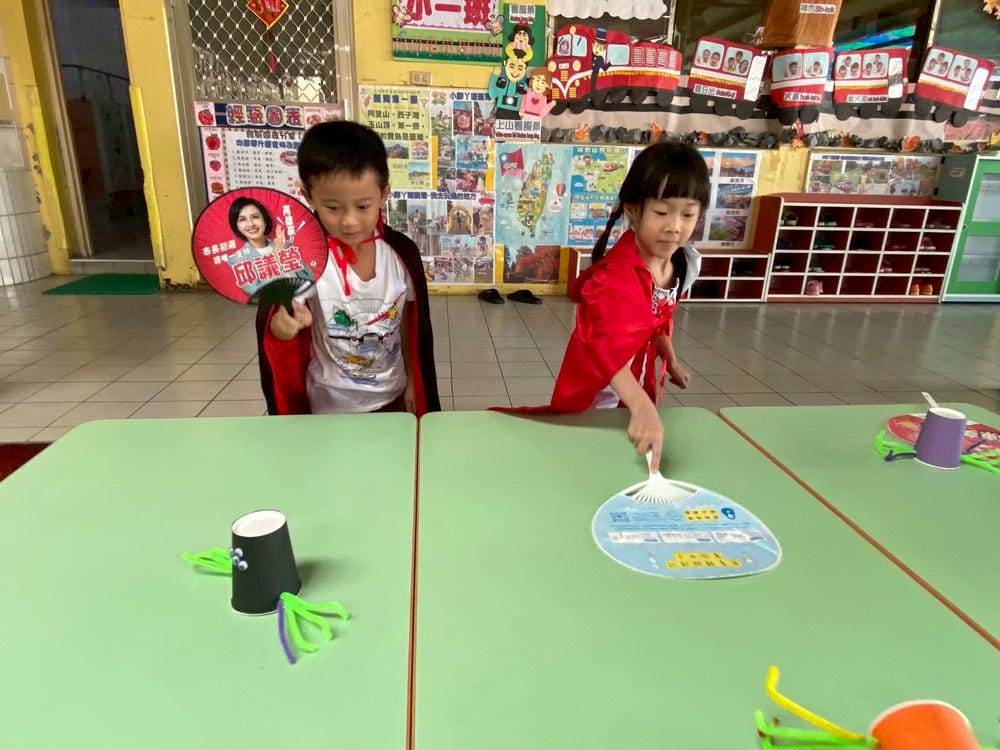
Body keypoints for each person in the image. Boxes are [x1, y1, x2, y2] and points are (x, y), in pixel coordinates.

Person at [503, 143, 708, 472]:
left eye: (687, 214)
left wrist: (669, 356)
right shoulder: (615, 279)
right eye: (662, 212)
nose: (674, 226)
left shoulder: (682, 264)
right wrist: (640, 404)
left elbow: (657, 319)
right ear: (634, 210)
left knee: (624, 457)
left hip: (636, 381)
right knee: (587, 454)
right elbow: (603, 348)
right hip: (599, 387)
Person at [255, 120, 440, 416]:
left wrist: (412, 382)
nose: (349, 221)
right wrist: (285, 326)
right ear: (308, 196)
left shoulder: (400, 255)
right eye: (333, 207)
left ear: (384, 194)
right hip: (329, 404)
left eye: (363, 206)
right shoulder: (305, 258)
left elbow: (410, 323)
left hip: (392, 397)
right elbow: (278, 326)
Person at [226, 197, 312, 301]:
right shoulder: (236, 259)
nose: (251, 224)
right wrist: (276, 259)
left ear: (265, 221)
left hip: (303, 300)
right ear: (237, 227)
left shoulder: (283, 245)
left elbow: (308, 277)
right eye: (242, 219)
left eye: (255, 217)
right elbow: (255, 292)